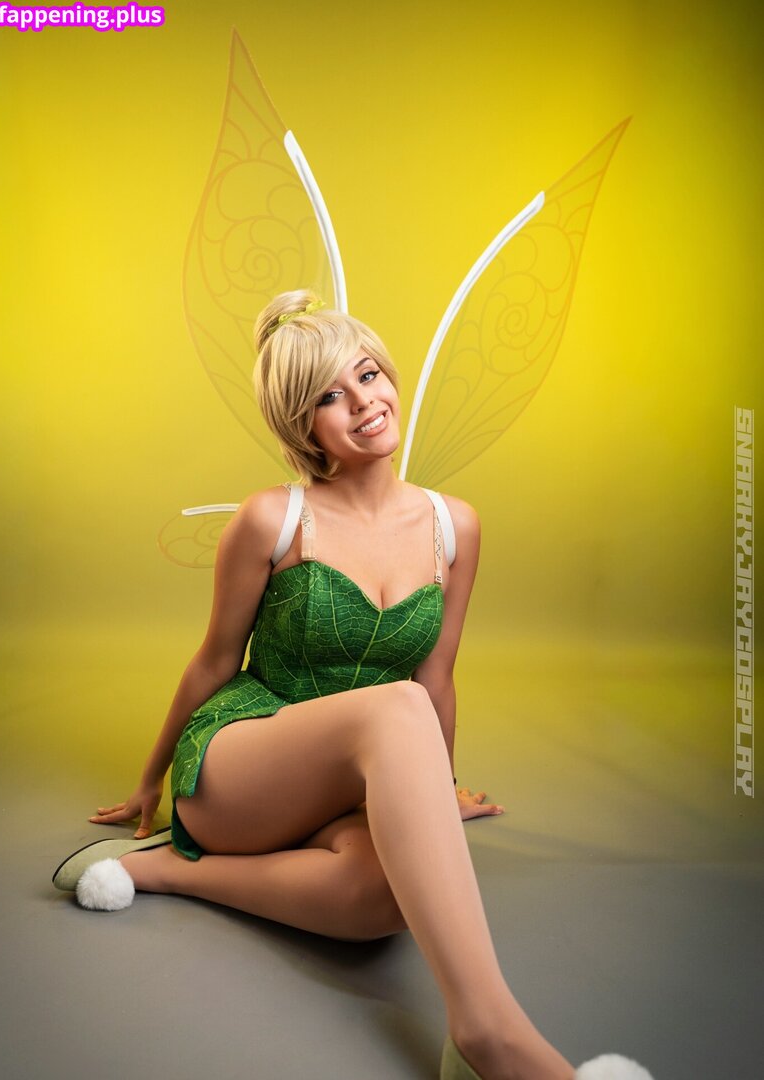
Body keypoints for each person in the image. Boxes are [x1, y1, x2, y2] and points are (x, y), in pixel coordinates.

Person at [53, 291, 654, 1080]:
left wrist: (436, 788)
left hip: (351, 780)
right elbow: (213, 661)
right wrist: (150, 779)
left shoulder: (455, 526)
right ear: (304, 428)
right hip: (242, 767)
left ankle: (166, 871)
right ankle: (487, 1035)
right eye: (329, 397)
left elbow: (438, 673)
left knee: (394, 897)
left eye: (368, 375)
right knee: (399, 706)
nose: (364, 402)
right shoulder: (271, 519)